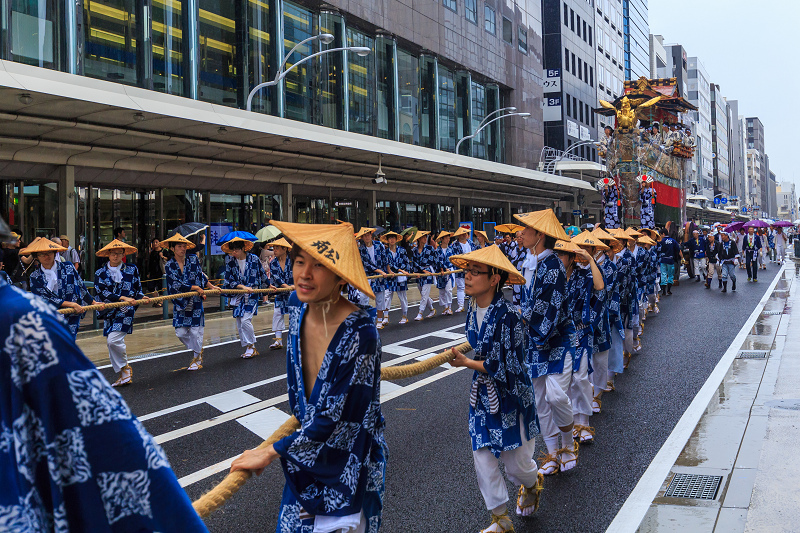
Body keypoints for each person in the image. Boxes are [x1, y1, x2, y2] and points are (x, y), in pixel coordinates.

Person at [0, 218, 208, 532]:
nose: (45, 258)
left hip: (93, 315)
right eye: (41, 255)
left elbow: (104, 429)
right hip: (91, 311)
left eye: (49, 254)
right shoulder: (27, 311)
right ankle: (128, 368)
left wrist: (98, 302)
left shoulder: (23, 316)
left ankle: (174, 359)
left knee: (112, 345)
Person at [231, 220, 386, 533]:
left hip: (349, 464)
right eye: (300, 261)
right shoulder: (298, 310)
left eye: (319, 265)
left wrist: (270, 452)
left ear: (341, 277)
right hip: (306, 458)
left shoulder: (362, 334)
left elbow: (338, 420)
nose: (304, 273)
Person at [447, 245, 542, 532]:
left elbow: (509, 366)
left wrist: (467, 363)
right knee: (482, 454)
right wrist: (470, 361)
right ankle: (499, 518)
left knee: (516, 467)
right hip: (484, 397)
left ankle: (532, 482)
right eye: (467, 271)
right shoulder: (471, 307)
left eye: (476, 272)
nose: (468, 276)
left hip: (511, 397)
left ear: (494, 279)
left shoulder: (509, 315)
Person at [515, 209, 577, 476]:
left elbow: (543, 309)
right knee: (540, 399)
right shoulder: (534, 262)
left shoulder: (552, 266)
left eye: (525, 229)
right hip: (535, 340)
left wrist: (518, 316)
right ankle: (551, 452)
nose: (520, 233)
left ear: (539, 234)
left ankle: (567, 444)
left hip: (556, 339)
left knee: (556, 395)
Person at [561, 233, 606, 444]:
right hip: (559, 336)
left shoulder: (582, 275)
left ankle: (584, 423)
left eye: (564, 255)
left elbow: (599, 287)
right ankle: (571, 423)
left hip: (580, 332)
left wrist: (589, 259)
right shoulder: (553, 278)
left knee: (580, 378)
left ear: (572, 258)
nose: (559, 258)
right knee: (565, 382)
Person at [94, 238, 149, 386]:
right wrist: (121, 297)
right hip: (109, 311)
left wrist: (141, 297)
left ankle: (125, 368)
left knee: (114, 340)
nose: (116, 256)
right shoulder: (100, 273)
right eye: (113, 253)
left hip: (126, 310)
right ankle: (122, 373)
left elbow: (137, 288)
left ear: (123, 254)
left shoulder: (132, 269)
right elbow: (102, 292)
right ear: (108, 254)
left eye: (119, 253)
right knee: (110, 343)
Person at [163, 233, 218, 370]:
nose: (183, 249)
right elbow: (174, 283)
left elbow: (201, 275)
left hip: (195, 300)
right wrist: (194, 287)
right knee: (180, 333)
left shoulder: (193, 259)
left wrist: (210, 286)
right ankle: (198, 348)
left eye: (184, 246)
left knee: (195, 332)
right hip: (180, 302)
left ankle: (196, 357)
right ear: (173, 249)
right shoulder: (169, 265)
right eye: (179, 246)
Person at [25, 237, 97, 339]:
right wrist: (71, 304)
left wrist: (93, 302)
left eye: (49, 252)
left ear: (55, 253)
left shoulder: (68, 267)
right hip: (49, 315)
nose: (46, 256)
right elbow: (42, 299)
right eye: (42, 254)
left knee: (68, 343)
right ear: (37, 257)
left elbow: (81, 285)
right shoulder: (34, 276)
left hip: (72, 313)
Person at [222, 237, 268, 359]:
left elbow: (262, 274)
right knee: (239, 322)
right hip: (238, 295)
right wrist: (240, 286)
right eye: (232, 251)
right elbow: (228, 280)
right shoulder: (231, 261)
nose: (234, 253)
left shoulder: (254, 259)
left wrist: (268, 286)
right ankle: (248, 346)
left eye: (236, 250)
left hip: (252, 294)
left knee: (245, 320)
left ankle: (251, 346)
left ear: (243, 249)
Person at [357, 228, 389, 328]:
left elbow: (385, 259)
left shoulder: (379, 245)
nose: (367, 237)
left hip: (380, 276)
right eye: (364, 235)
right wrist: (380, 271)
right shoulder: (361, 249)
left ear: (371, 235)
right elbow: (365, 264)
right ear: (362, 237)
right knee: (363, 298)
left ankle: (379, 321)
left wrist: (388, 271)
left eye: (368, 235)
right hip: (368, 275)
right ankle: (365, 320)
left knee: (380, 298)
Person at [268, 237, 294, 349]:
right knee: (277, 314)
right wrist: (287, 287)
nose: (274, 250)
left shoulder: (293, 260)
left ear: (285, 249)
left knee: (294, 315)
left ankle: (294, 340)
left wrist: (294, 286)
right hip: (281, 292)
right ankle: (278, 341)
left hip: (295, 292)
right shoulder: (273, 262)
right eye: (273, 248)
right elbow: (277, 278)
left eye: (277, 248)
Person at [382, 231, 411, 324]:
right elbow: (387, 264)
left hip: (400, 277)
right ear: (387, 240)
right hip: (390, 276)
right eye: (389, 238)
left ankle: (404, 315)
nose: (391, 240)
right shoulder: (385, 252)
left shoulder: (402, 250)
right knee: (387, 296)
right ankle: (385, 316)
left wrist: (405, 271)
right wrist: (398, 270)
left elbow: (406, 262)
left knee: (402, 297)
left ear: (396, 239)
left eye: (393, 238)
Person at [411, 230, 438, 321]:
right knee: (422, 292)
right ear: (418, 239)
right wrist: (417, 272)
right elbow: (413, 262)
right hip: (419, 272)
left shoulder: (430, 249)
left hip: (428, 272)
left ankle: (420, 313)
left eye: (425, 237)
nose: (424, 239)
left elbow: (434, 260)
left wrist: (438, 270)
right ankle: (431, 309)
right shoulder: (414, 250)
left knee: (424, 293)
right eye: (422, 237)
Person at [451, 226, 475, 312]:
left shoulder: (470, 243)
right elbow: (455, 257)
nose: (464, 235)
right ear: (459, 235)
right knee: (461, 287)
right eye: (462, 234)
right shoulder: (455, 245)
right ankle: (461, 305)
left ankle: (473, 303)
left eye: (465, 233)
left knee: (472, 286)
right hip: (460, 268)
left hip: (471, 268)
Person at [435, 230, 455, 316]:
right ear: (442, 239)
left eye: (448, 238)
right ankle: (445, 307)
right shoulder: (437, 250)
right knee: (442, 291)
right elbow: (437, 261)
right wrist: (442, 268)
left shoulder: (451, 249)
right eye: (446, 238)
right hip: (441, 271)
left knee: (448, 290)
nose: (448, 239)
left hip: (449, 271)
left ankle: (449, 307)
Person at [657, 227, 680, 295]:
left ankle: (663, 291)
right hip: (670, 260)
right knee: (670, 275)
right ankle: (669, 290)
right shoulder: (673, 241)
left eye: (661, 234)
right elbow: (677, 249)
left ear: (663, 234)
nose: (661, 236)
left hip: (663, 260)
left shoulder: (661, 241)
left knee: (663, 274)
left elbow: (658, 250)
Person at [146, 237, 168, 304]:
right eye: (154, 242)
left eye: (156, 242)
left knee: (161, 287)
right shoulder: (152, 253)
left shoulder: (164, 251)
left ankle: (160, 302)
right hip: (153, 272)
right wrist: (148, 272)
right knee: (150, 286)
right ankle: (157, 299)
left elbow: (169, 259)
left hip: (161, 271)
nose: (155, 244)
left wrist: (162, 256)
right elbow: (150, 263)